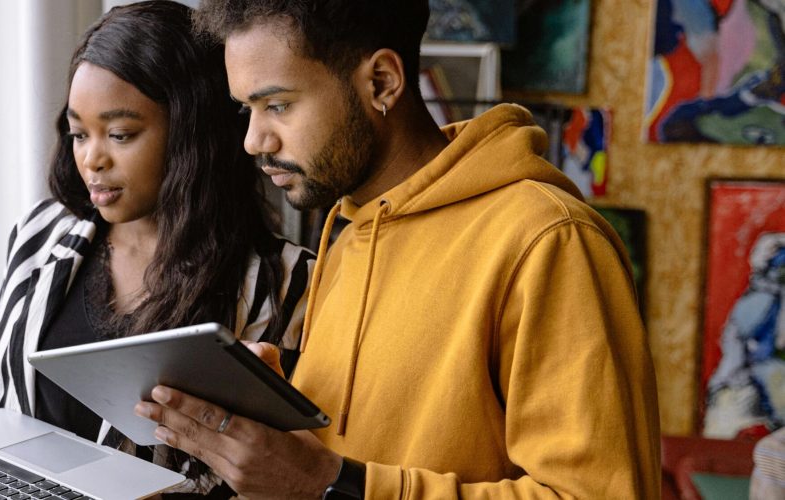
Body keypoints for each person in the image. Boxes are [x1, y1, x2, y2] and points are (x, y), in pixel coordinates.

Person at [134, 1, 661, 498]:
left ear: (381, 82)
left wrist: (326, 484)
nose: (254, 140)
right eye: (246, 109)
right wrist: (277, 427)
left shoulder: (550, 240)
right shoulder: (347, 234)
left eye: (278, 105)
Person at [0, 2, 314, 498]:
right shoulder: (44, 234)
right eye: (79, 134)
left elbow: (264, 474)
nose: (91, 158)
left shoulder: (280, 282)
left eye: (120, 134)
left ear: (193, 133)